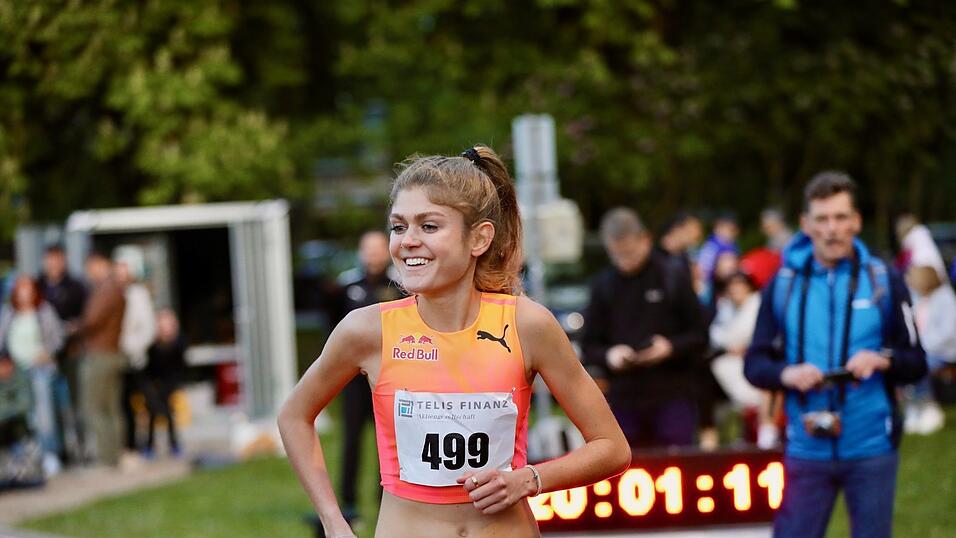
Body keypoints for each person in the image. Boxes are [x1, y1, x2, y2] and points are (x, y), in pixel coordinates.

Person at [278, 146, 630, 538]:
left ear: (479, 238)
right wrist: (333, 522)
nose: (407, 241)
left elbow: (612, 447)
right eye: (398, 226)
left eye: (429, 226)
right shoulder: (366, 330)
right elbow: (294, 416)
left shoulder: (527, 324)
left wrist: (529, 479)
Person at [744, 171, 927, 538]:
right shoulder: (783, 284)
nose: (832, 229)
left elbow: (917, 362)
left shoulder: (883, 280)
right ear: (805, 224)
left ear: (856, 221)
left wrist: (882, 361)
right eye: (822, 219)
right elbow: (755, 364)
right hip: (806, 446)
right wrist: (787, 374)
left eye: (841, 218)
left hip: (871, 444)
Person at [581, 208, 708, 449]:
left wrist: (669, 347)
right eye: (617, 255)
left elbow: (700, 335)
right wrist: (611, 355)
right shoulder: (603, 286)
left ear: (645, 239)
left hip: (672, 393)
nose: (625, 261)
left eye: (630, 253)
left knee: (677, 466)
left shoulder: (672, 275)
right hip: (624, 397)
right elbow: (588, 345)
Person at [331, 230, 403, 527]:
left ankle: (385, 499)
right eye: (368, 249)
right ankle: (348, 504)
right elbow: (331, 330)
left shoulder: (399, 286)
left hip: (387, 377)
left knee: (386, 443)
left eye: (378, 249)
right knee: (351, 440)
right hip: (353, 379)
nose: (373, 255)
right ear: (361, 253)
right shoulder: (346, 287)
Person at [0, 276, 65, 475]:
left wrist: (46, 353)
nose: (24, 292)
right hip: (15, 372)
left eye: (27, 288)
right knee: (16, 411)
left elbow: (57, 338)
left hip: (40, 369)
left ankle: (49, 453)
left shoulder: (44, 311)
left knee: (43, 413)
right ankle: (21, 453)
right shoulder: (9, 313)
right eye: (20, 288)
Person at [37, 244, 87, 462]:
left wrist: (74, 328)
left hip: (71, 354)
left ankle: (81, 449)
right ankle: (59, 453)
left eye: (57, 259)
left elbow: (86, 317)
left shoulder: (75, 287)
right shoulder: (37, 287)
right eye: (50, 259)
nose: (53, 263)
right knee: (49, 409)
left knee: (74, 405)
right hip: (44, 357)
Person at [79, 251, 127, 467]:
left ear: (99, 264)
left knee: (94, 407)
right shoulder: (116, 288)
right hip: (113, 352)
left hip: (101, 354)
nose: (89, 274)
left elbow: (92, 321)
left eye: (90, 268)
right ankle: (115, 456)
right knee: (111, 408)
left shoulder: (106, 290)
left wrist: (73, 328)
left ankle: (106, 458)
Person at [114, 248, 156, 456]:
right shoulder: (114, 291)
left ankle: (147, 443)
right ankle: (128, 445)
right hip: (117, 357)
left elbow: (147, 329)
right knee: (123, 405)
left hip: (135, 358)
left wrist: (132, 347)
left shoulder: (139, 294)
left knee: (145, 402)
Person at [904, 265, 956, 434]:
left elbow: (949, 332)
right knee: (904, 363)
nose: (908, 281)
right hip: (924, 349)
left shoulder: (945, 298)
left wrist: (922, 348)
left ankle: (929, 406)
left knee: (921, 364)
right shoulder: (919, 299)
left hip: (946, 351)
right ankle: (914, 406)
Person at [143, 308, 186, 458]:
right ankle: (150, 446)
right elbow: (148, 367)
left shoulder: (178, 343)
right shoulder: (152, 345)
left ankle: (173, 444)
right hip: (153, 382)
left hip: (169, 383)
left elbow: (179, 367)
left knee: (167, 410)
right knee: (153, 411)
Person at [697, 211, 739, 283]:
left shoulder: (732, 245)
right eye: (726, 228)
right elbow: (703, 269)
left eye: (732, 230)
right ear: (716, 228)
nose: (728, 232)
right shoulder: (711, 246)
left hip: (728, 282)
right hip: (712, 283)